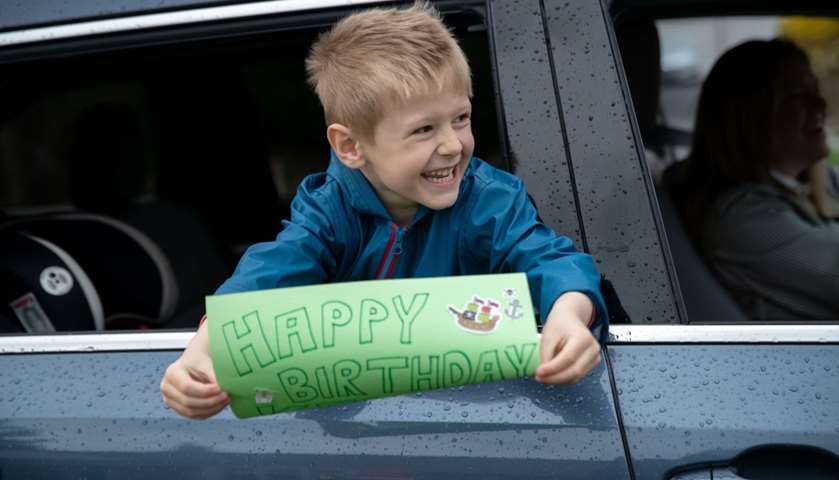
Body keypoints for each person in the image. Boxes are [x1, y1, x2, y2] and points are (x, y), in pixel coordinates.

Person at [160, 1, 608, 419]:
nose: (452, 145)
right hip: (353, 425)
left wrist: (569, 315)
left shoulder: (489, 200)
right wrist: (203, 349)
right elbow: (269, 273)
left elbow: (549, 259)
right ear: (350, 146)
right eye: (424, 129)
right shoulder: (328, 211)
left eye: (461, 118)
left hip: (484, 413)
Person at [664, 39, 839, 321]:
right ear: (750, 116)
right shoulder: (741, 219)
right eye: (797, 94)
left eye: (814, 89)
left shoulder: (817, 180)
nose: (820, 103)